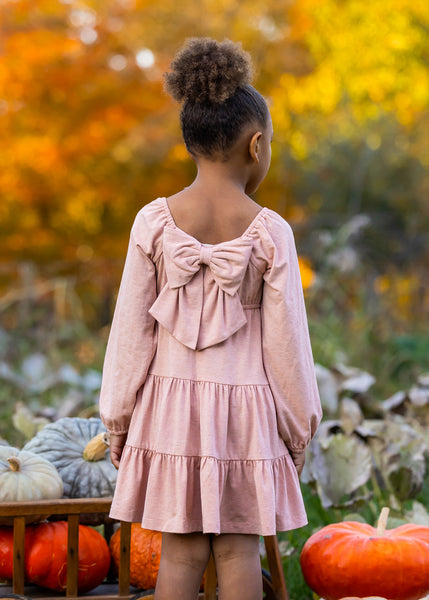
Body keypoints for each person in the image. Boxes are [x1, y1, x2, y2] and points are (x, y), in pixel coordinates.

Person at [99, 37, 322, 600]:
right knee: (239, 549)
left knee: (179, 551)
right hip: (246, 415)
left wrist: (118, 417)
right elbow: (287, 345)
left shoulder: (151, 223)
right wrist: (298, 427)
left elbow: (130, 335)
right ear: (256, 145)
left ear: (191, 144)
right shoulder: (271, 232)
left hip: (169, 411)